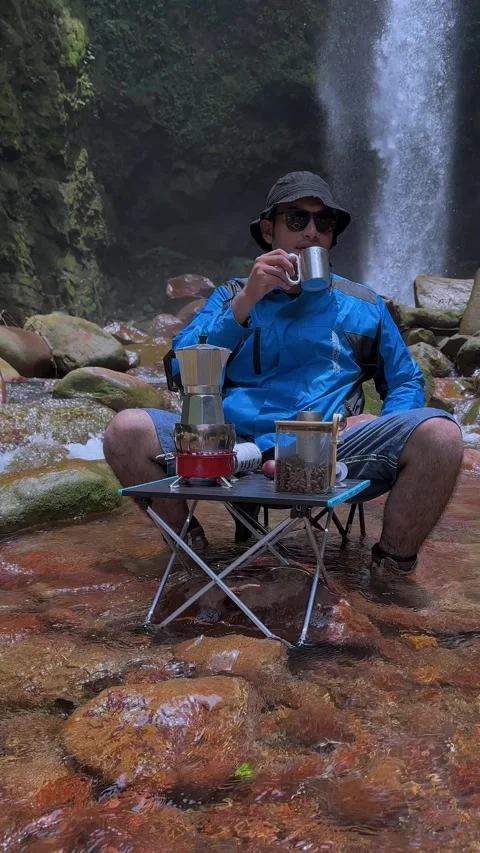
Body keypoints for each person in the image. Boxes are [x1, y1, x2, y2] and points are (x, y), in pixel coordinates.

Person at [104, 170, 463, 580]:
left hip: (329, 447)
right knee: (126, 430)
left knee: (441, 434)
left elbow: (406, 382)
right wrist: (247, 301)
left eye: (323, 222)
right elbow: (181, 370)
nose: (311, 232)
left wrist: (383, 419)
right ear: (269, 229)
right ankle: (190, 555)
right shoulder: (232, 297)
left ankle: (391, 573)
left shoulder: (362, 305)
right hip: (230, 447)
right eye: (297, 219)